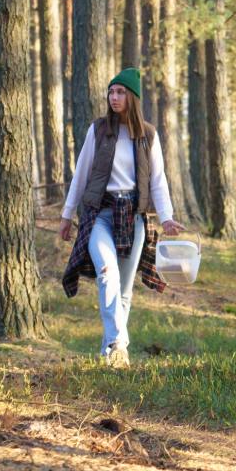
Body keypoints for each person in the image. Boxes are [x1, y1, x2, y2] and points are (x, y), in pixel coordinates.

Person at [60, 67, 185, 368]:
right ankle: (119, 344)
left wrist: (166, 218)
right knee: (107, 272)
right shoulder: (99, 130)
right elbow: (81, 174)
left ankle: (110, 355)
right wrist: (67, 215)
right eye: (111, 92)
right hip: (100, 215)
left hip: (133, 217)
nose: (114, 97)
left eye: (120, 92)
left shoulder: (147, 135)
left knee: (125, 290)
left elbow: (158, 181)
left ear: (132, 97)